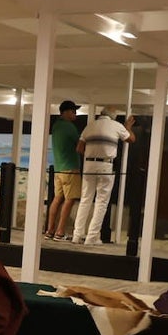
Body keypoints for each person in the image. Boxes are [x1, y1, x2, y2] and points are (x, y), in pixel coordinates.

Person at [71, 108, 135, 245]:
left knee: (85, 199)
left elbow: (79, 148)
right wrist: (128, 127)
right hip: (106, 164)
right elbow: (131, 139)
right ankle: (91, 237)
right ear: (113, 117)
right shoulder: (117, 126)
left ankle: (77, 235)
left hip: (89, 164)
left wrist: (91, 154)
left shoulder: (90, 126)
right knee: (101, 202)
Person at [43, 100, 83, 241]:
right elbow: (80, 145)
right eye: (73, 111)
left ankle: (49, 230)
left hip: (59, 169)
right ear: (65, 112)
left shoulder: (56, 126)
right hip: (70, 168)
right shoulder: (69, 127)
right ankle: (60, 232)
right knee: (70, 199)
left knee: (57, 198)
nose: (75, 114)